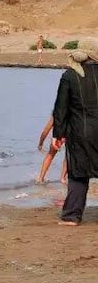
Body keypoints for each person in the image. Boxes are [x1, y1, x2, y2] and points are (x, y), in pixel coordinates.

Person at [52, 49, 98, 225]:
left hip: (80, 131)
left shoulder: (70, 75)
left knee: (78, 173)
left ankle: (72, 215)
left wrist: (58, 134)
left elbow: (61, 108)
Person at [37, 116, 68, 184]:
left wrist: (40, 143)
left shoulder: (56, 115)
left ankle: (41, 178)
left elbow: (46, 130)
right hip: (70, 134)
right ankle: (63, 178)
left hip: (59, 135)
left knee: (50, 155)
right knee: (68, 155)